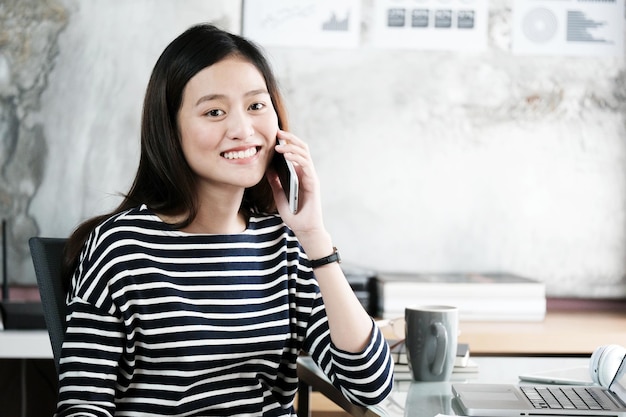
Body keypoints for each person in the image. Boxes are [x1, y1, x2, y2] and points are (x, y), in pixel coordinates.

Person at [56, 23, 393, 416]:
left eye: (255, 106)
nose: (242, 130)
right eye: (214, 112)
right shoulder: (121, 248)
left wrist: (315, 237)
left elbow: (369, 387)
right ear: (170, 129)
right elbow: (82, 406)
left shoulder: (285, 244)